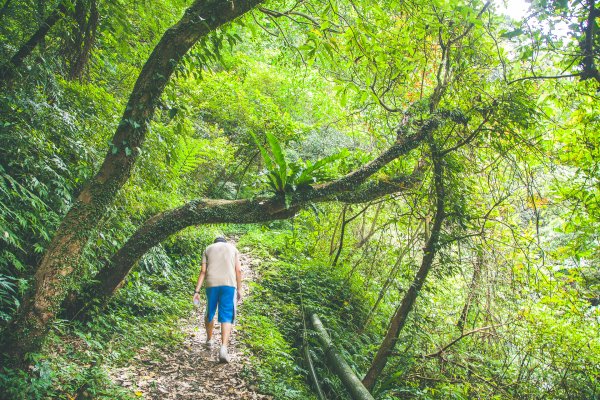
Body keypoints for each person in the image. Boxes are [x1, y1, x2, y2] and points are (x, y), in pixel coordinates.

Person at [193, 236, 242, 363]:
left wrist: (196, 291)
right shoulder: (233, 249)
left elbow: (203, 271)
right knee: (226, 315)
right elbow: (239, 270)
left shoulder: (207, 249)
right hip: (229, 284)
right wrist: (240, 289)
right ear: (225, 242)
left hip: (211, 284)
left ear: (215, 243)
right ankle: (223, 349)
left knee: (210, 311)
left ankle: (209, 340)